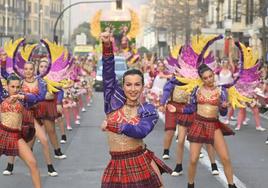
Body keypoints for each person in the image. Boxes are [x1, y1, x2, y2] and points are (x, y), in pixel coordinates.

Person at [100, 32, 172, 188]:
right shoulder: (113, 102)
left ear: (143, 86)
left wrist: (112, 126)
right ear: (123, 86)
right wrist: (107, 45)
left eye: (137, 84)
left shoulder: (148, 110)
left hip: (140, 163)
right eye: (128, 84)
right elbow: (108, 73)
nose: (133, 89)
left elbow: (140, 131)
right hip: (116, 166)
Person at [180, 64, 236, 188]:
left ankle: (232, 185)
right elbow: (191, 108)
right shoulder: (197, 90)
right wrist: (179, 109)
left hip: (213, 124)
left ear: (214, 75)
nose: (209, 79)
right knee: (193, 160)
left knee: (225, 158)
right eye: (205, 78)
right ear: (202, 79)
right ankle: (190, 185)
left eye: (211, 76)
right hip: (198, 124)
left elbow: (223, 113)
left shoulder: (221, 91)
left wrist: (223, 107)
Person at [0, 73, 42, 188]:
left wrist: (21, 96)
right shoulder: (2, 97)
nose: (15, 89)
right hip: (2, 133)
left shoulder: (23, 99)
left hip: (16, 136)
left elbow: (38, 97)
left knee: (33, 163)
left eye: (18, 87)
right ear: (7, 86)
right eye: (12, 87)